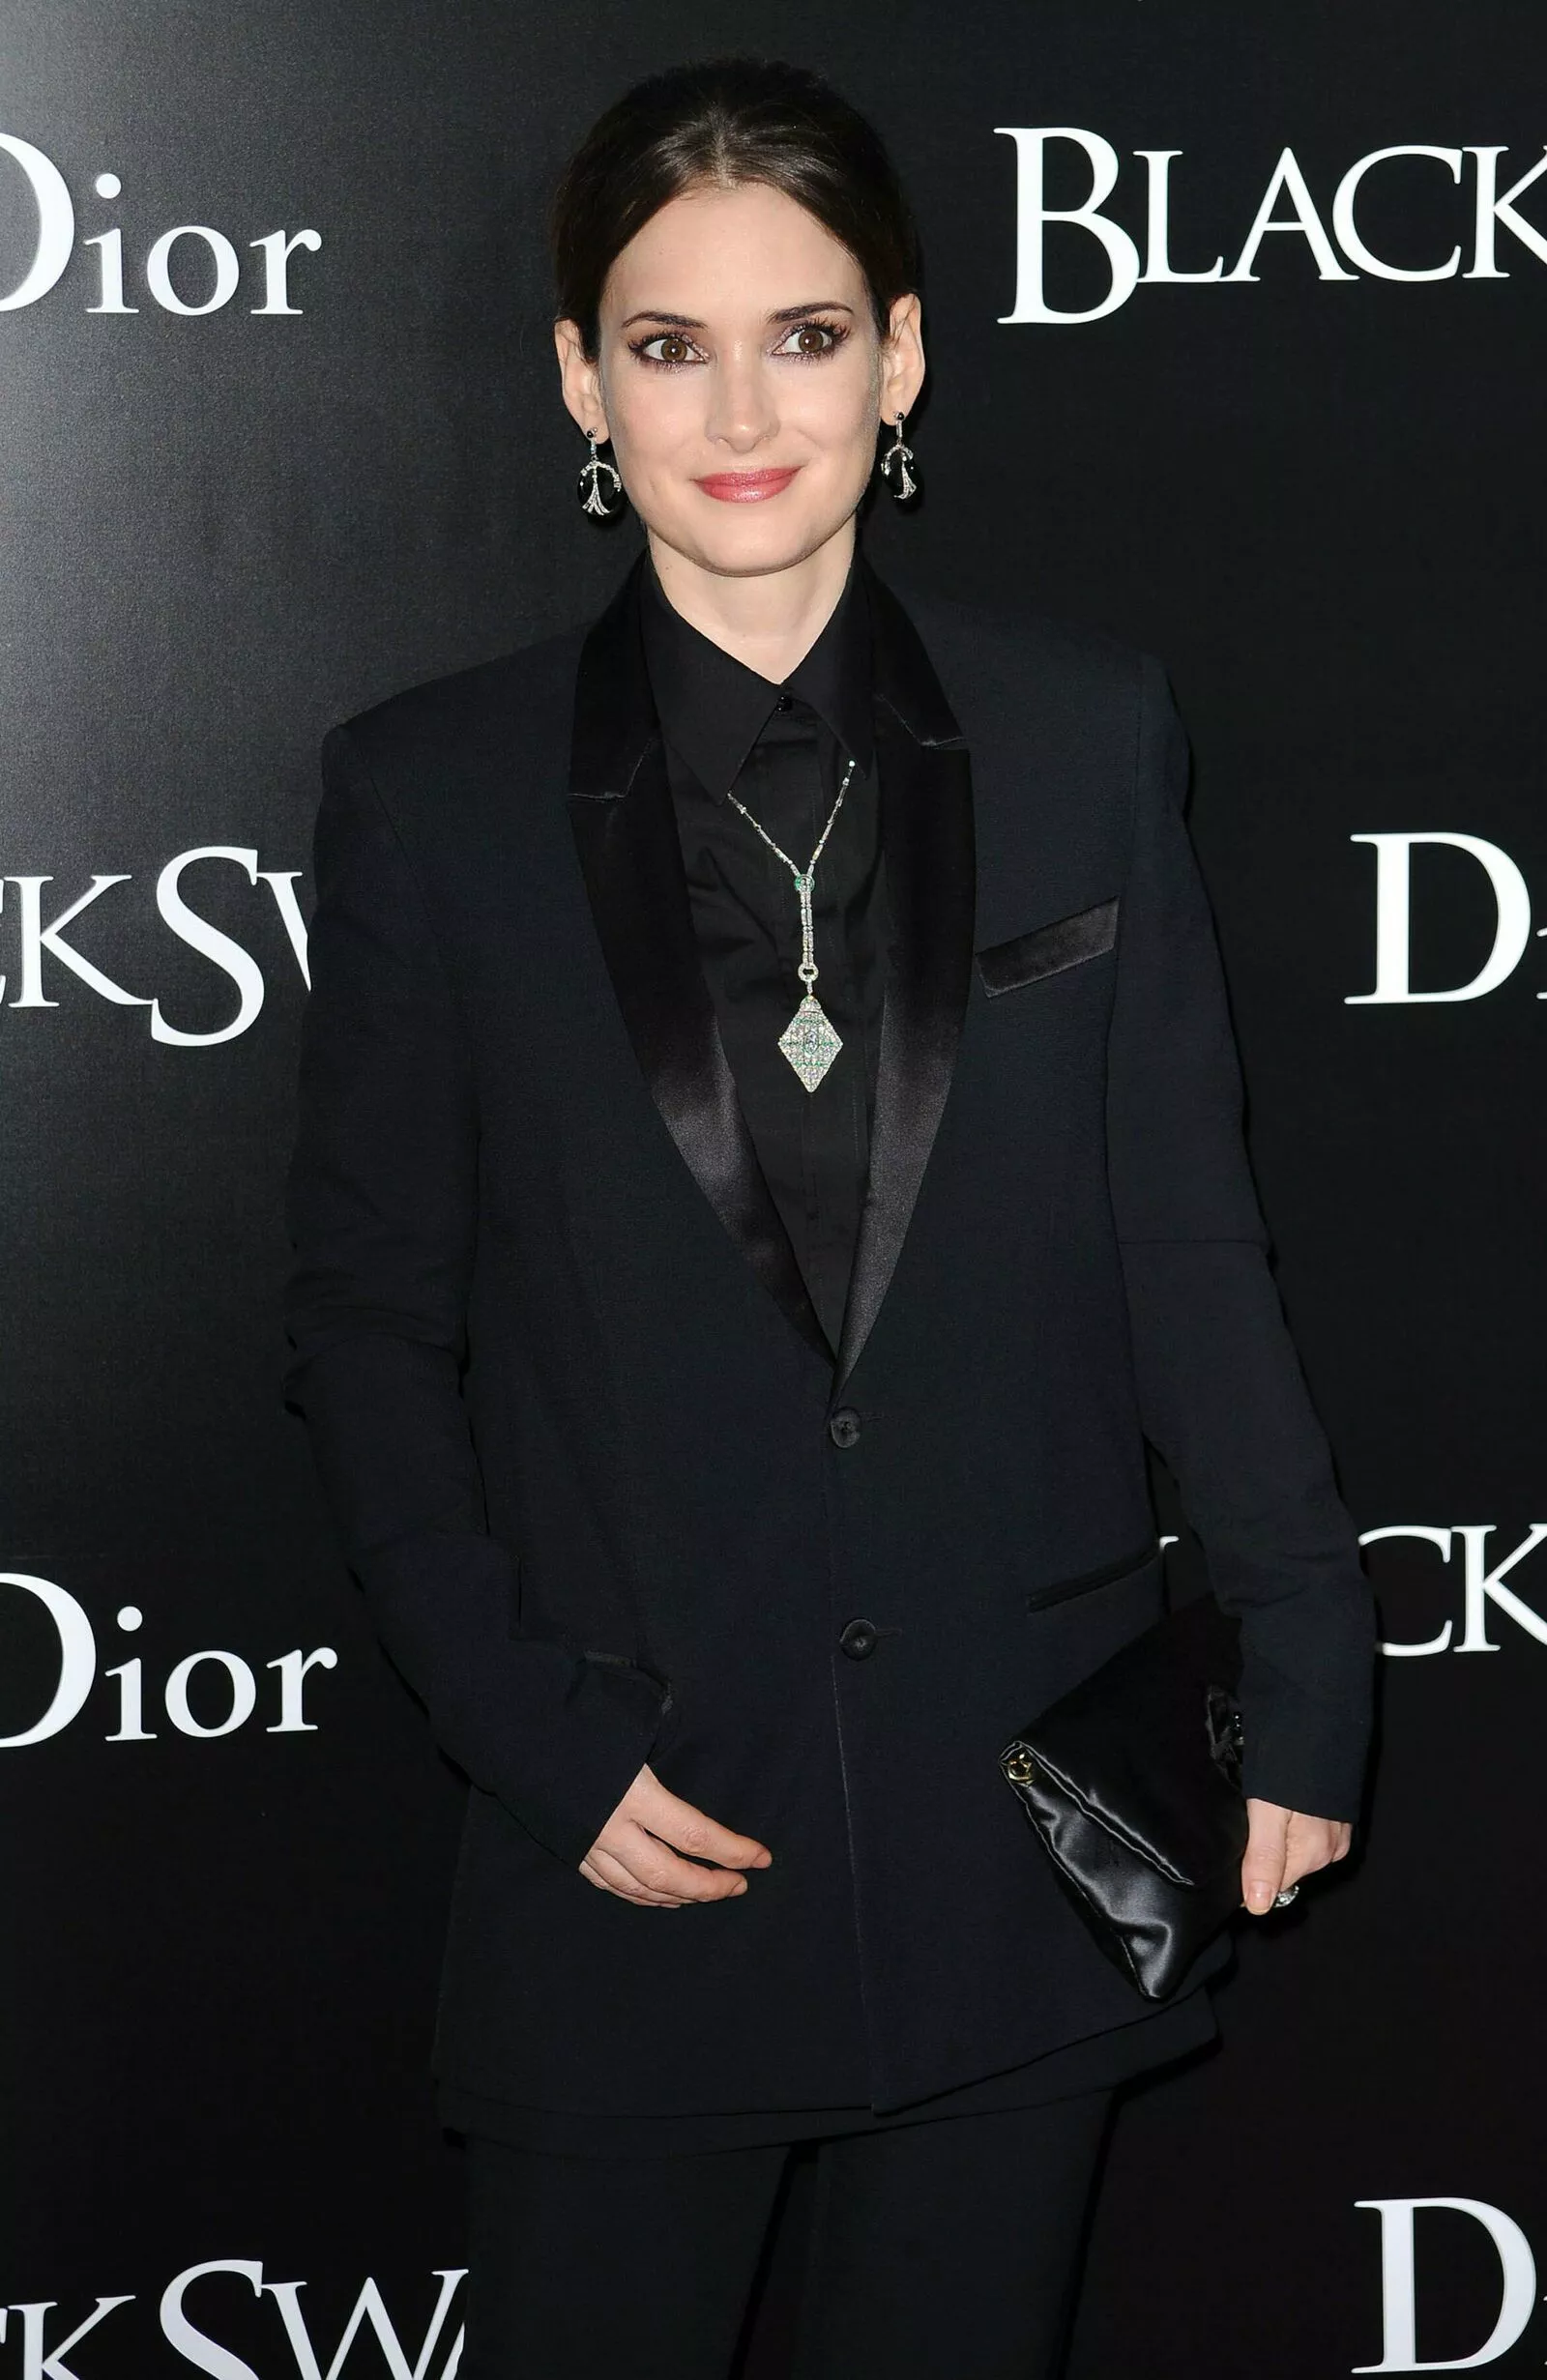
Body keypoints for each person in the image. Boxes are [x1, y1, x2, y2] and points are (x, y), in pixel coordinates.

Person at [282, 55, 1374, 2380]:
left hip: (1020, 1821)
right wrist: (531, 1736)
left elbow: (1187, 1232)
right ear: (578, 380)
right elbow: (368, 1323)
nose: (738, 410)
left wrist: (1303, 1658)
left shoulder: (1086, 731)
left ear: (900, 356)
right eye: (665, 344)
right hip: (641, 1819)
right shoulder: (431, 794)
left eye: (801, 334)